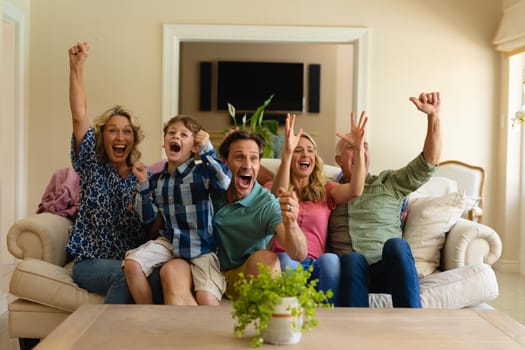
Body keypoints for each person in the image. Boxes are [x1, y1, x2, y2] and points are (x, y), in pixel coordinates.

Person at [159, 129, 307, 298]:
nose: (247, 165)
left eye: (253, 158)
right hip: (201, 267)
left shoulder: (266, 204)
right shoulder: (206, 188)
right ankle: (194, 322)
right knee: (172, 269)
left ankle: (260, 321)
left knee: (266, 259)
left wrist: (292, 223)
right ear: (223, 161)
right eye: (239, 157)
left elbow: (299, 254)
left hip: (242, 277)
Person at [334, 91, 442, 308]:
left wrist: (434, 117)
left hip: (387, 269)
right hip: (351, 271)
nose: (359, 150)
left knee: (397, 245)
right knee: (354, 260)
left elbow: (428, 163)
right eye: (351, 147)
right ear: (338, 160)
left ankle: (412, 325)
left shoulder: (389, 182)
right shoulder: (328, 190)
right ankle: (354, 335)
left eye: (363, 145)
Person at [66, 41, 151, 303]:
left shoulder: (141, 178)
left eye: (126, 131)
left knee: (139, 274)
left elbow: (150, 230)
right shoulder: (93, 164)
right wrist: (76, 68)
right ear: (102, 137)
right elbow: (79, 115)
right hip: (91, 262)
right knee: (123, 275)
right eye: (112, 130)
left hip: (132, 262)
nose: (119, 136)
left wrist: (146, 190)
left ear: (133, 139)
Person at [124, 115, 231, 306]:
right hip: (170, 242)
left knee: (207, 300)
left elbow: (224, 182)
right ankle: (149, 317)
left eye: (184, 135)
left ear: (194, 147)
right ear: (165, 143)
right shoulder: (156, 180)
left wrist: (207, 150)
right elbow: (148, 218)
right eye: (171, 133)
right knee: (132, 265)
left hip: (202, 248)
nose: (176, 138)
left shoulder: (201, 174)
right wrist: (142, 183)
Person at [267, 113, 368, 305]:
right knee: (287, 261)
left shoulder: (326, 190)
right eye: (298, 150)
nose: (305, 155)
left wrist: (358, 149)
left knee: (331, 260)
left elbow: (356, 190)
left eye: (310, 150)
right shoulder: (273, 184)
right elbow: (276, 197)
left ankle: (328, 322)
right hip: (284, 258)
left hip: (317, 264)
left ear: (315, 158)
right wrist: (287, 152)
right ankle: (292, 320)